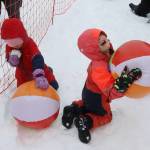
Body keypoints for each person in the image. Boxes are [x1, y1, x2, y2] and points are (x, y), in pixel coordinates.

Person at [62, 29, 142, 144]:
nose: (108, 42)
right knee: (106, 116)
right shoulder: (99, 67)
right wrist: (123, 83)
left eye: (107, 39)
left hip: (88, 91)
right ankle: (86, 121)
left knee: (87, 104)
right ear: (94, 50)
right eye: (103, 43)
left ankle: (73, 108)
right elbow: (110, 90)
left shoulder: (105, 55)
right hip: (97, 97)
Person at [1, 18, 59, 90]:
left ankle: (48, 71)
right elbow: (8, 57)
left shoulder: (29, 43)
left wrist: (39, 75)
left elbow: (38, 58)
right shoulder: (9, 47)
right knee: (23, 92)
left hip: (37, 69)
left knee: (54, 86)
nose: (15, 46)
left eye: (17, 42)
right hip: (23, 74)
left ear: (22, 36)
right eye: (10, 43)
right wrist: (12, 61)